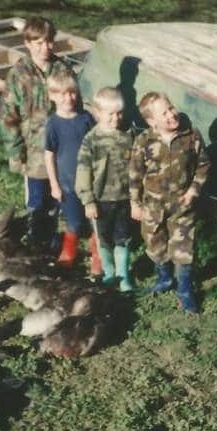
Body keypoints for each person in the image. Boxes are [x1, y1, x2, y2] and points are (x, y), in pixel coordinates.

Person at [129, 92, 210, 313]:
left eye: (171, 108)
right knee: (155, 245)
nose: (171, 115)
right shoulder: (144, 141)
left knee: (184, 248)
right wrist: (135, 204)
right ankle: (165, 279)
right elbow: (135, 174)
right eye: (163, 113)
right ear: (151, 121)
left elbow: (203, 165)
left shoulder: (190, 135)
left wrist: (194, 190)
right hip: (153, 207)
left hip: (183, 205)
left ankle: (184, 290)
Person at [0, 16, 76, 251]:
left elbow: (76, 104)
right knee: (36, 200)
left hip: (61, 150)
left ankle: (53, 239)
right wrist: (15, 151)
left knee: (59, 197)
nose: (45, 48)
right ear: (28, 43)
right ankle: (34, 243)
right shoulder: (19, 73)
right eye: (39, 43)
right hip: (33, 151)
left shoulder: (63, 68)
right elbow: (8, 115)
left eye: (49, 42)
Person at [75, 87, 135, 291]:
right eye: (111, 114)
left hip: (124, 198)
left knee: (123, 238)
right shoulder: (91, 140)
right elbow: (83, 171)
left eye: (119, 113)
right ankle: (109, 274)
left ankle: (123, 276)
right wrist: (88, 201)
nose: (116, 118)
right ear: (98, 113)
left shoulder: (128, 135)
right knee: (104, 240)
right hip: (100, 201)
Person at [43, 72, 98, 272]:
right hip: (67, 183)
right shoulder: (53, 124)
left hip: (91, 181)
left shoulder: (86, 119)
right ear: (52, 96)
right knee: (73, 221)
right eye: (63, 94)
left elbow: (97, 144)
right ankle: (69, 253)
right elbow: (49, 156)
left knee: (95, 220)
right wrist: (54, 185)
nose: (69, 98)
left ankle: (98, 256)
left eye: (72, 93)